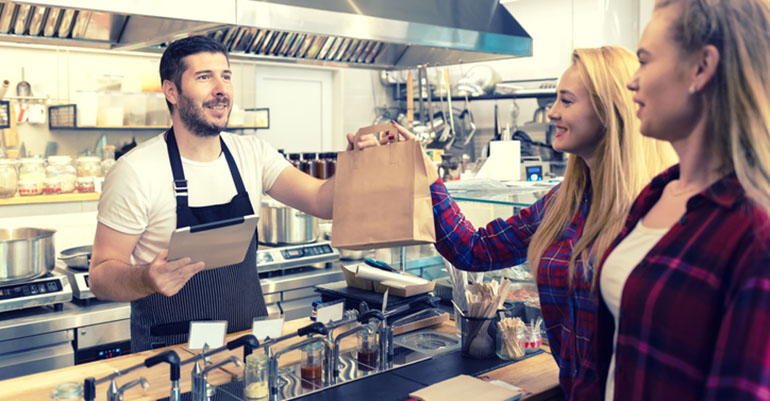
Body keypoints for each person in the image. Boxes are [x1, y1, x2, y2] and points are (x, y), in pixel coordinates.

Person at [388, 46, 676, 398]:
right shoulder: (564, 201)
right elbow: (475, 250)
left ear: (609, 111)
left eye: (567, 101)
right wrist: (428, 176)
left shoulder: (660, 208)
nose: (552, 112)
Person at [88, 36, 365, 351]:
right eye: (205, 77)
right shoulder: (136, 171)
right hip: (172, 356)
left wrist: (357, 163)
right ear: (171, 91)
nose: (221, 89)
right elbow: (99, 276)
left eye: (226, 76)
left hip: (252, 348)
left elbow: (323, 201)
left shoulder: (252, 153)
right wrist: (146, 279)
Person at [572, 1, 770, 400]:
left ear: (701, 68)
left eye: (644, 61)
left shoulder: (753, 232)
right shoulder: (657, 193)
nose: (632, 82)